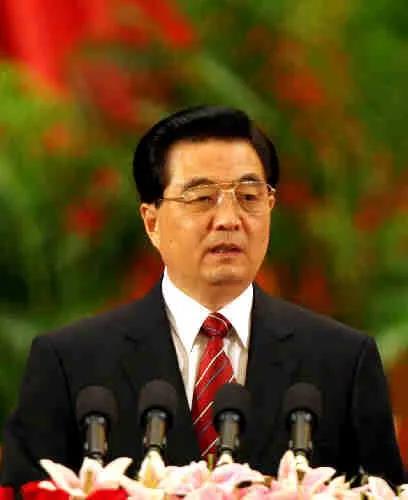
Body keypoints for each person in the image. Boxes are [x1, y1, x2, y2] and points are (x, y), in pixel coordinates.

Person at [0, 106, 403, 488]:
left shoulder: (343, 363)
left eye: (249, 197)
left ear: (270, 207)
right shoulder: (70, 365)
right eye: (201, 198)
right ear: (152, 222)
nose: (228, 220)